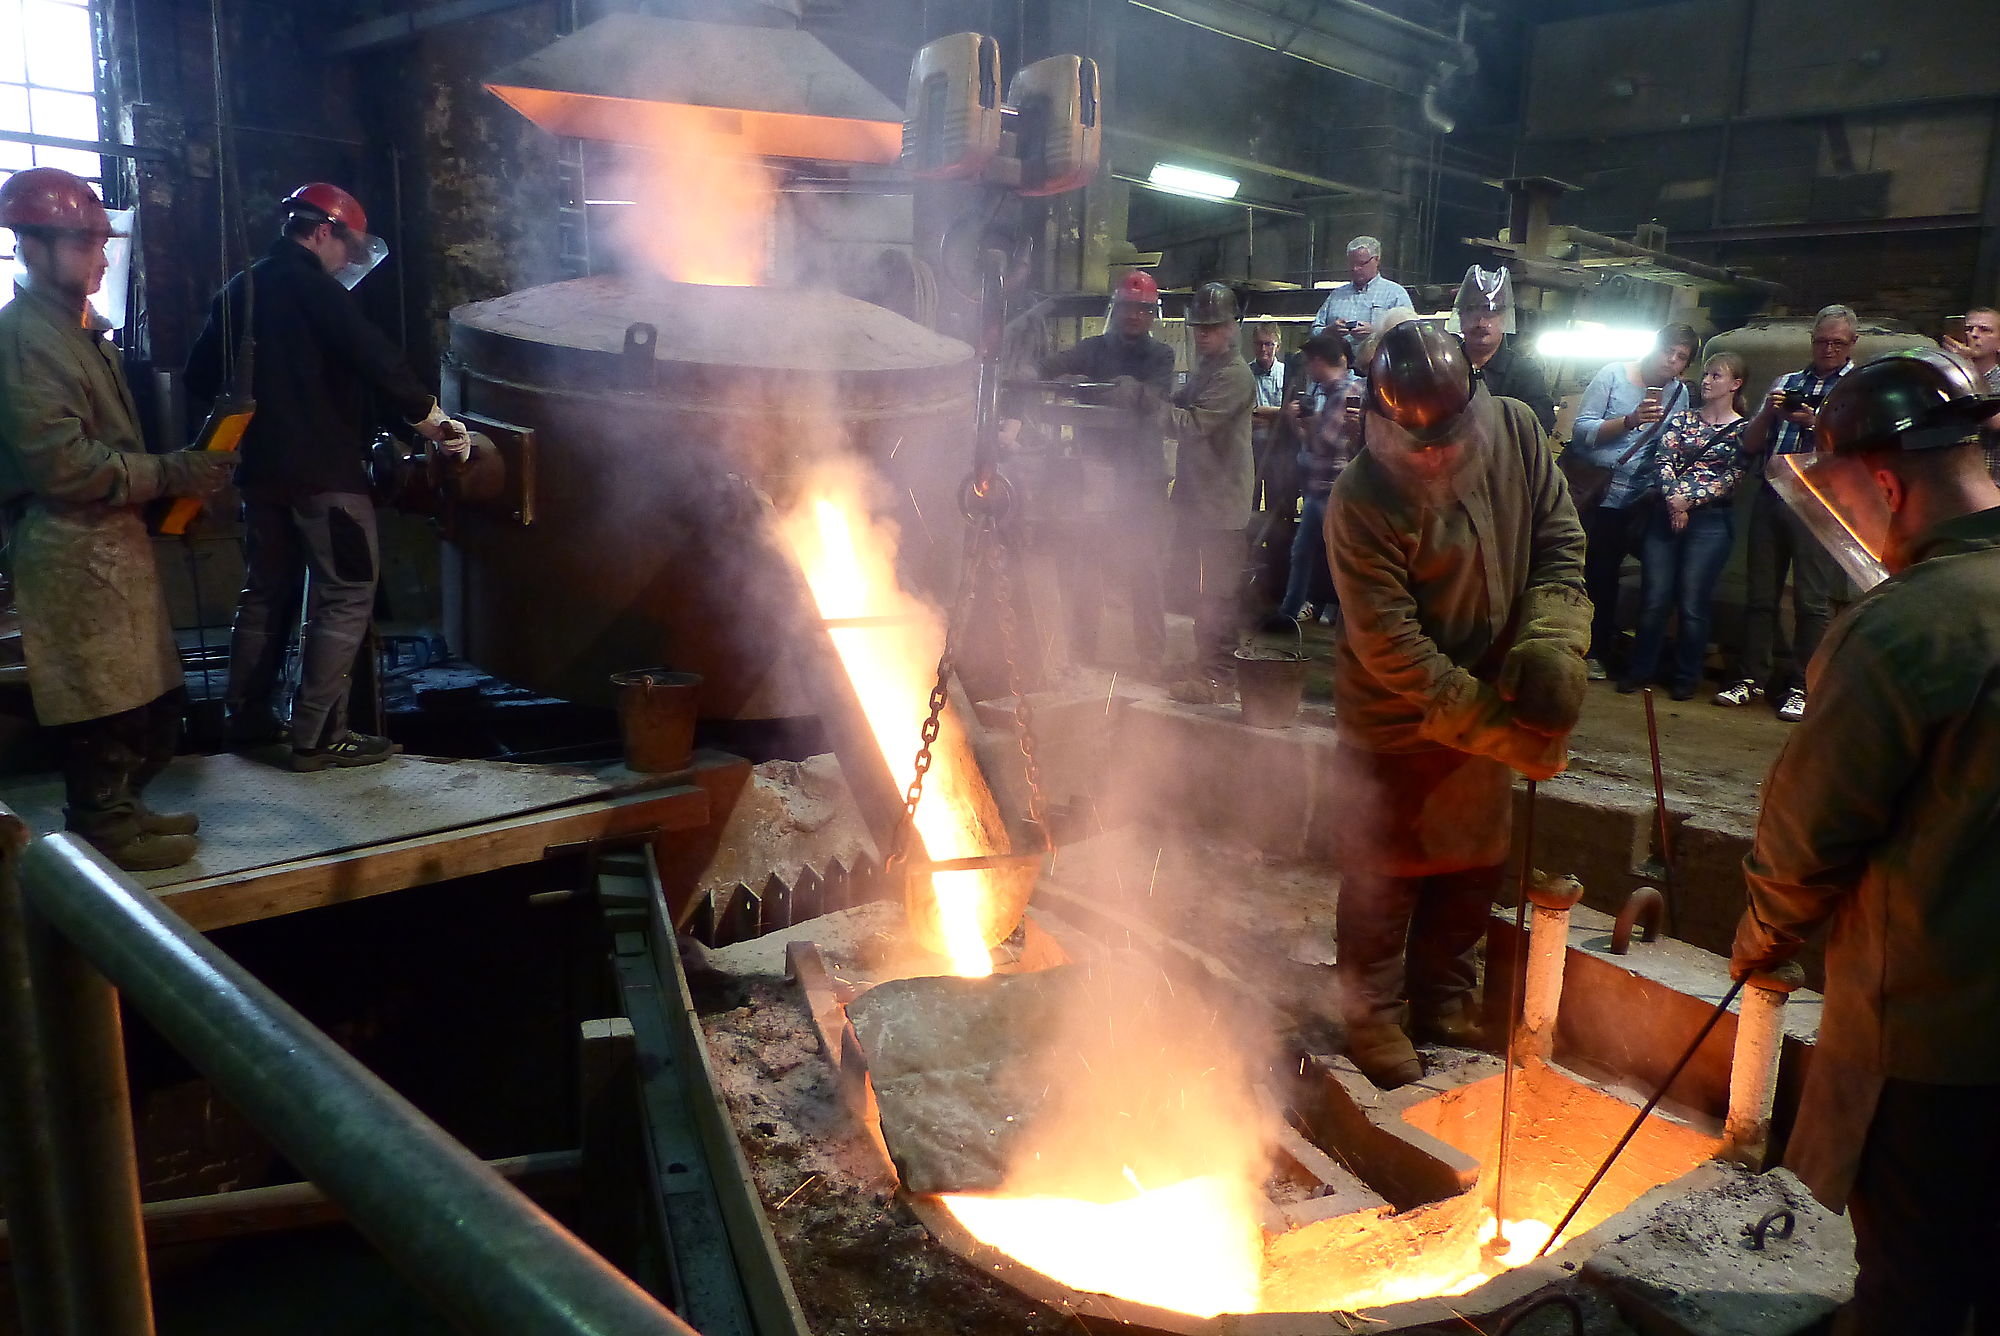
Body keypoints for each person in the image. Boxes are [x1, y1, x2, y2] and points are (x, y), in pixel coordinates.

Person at [1726, 347, 2000, 1336]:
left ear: (1883, 485)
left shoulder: (1905, 627)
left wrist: (1763, 935)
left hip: (1936, 1046)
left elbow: (1810, 832)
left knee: (1911, 1290)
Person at [1324, 320, 1589, 1089]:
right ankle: (1370, 1012)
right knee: (1385, 869)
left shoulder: (1518, 432)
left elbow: (1559, 541)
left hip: (1491, 691)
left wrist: (1551, 640)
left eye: (1446, 438)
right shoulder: (1360, 499)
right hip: (1396, 717)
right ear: (1385, 421)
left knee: (1473, 863)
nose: (1436, 456)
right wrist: (1502, 732)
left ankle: (1444, 996)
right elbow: (1391, 644)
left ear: (1473, 396)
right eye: (1420, 444)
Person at [0, 169, 238, 870]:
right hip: (68, 546)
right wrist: (170, 474)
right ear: (31, 246)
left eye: (103, 243)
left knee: (147, 700)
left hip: (108, 540)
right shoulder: (25, 340)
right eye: (85, 243)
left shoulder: (77, 333)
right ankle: (102, 826)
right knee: (102, 702)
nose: (102, 259)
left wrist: (170, 492)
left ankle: (125, 810)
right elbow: (63, 465)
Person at [186, 183, 467, 771]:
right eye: (347, 248)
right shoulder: (316, 290)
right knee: (345, 592)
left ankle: (248, 719)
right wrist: (434, 421)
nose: (346, 262)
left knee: (266, 591)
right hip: (326, 476)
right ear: (322, 231)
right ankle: (316, 734)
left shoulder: (240, 289)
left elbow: (198, 378)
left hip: (260, 476)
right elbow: (376, 359)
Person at [1716, 304, 1859, 721]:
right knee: (1761, 594)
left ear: (1852, 344)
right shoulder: (1787, 382)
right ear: (1811, 341)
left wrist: (1815, 422)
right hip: (1772, 492)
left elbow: (1858, 450)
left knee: (1812, 602)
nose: (1828, 349)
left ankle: (1802, 685)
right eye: (1822, 341)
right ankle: (1751, 677)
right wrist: (1769, 411)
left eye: (1837, 343)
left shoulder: (1858, 388)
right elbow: (1750, 444)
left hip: (1819, 499)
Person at [1039, 270, 1176, 671]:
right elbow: (1049, 366)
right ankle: (1083, 651)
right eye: (1129, 308)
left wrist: (1129, 390)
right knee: (1088, 560)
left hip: (1143, 476)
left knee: (1144, 564)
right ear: (1117, 309)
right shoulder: (1092, 349)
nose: (1135, 316)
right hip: (1097, 472)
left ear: (1152, 315)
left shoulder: (1161, 356)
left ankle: (1149, 655)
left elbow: (1155, 397)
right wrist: (1053, 376)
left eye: (1143, 310)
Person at [1144, 282, 1254, 704]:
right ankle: (1203, 665)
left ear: (1231, 327)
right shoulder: (1208, 368)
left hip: (1221, 509)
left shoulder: (1235, 375)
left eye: (1212, 327)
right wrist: (1152, 394)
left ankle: (1218, 678)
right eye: (1199, 327)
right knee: (1201, 591)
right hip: (1200, 503)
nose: (1203, 334)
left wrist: (1148, 405)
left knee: (1218, 596)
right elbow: (1180, 401)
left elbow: (1190, 424)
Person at [1568, 324, 1699, 680]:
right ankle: (1588, 650)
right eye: (1668, 351)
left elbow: (1672, 443)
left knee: (1647, 577)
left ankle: (1625, 654)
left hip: (1642, 498)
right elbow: (1582, 431)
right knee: (1597, 574)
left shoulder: (1678, 393)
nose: (1671, 361)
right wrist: (1630, 420)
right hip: (1600, 494)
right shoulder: (1613, 375)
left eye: (1681, 357)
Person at [1618, 352, 1749, 698]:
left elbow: (1732, 476)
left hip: (1711, 521)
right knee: (1654, 597)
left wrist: (1689, 501)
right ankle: (1640, 669)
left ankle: (1685, 676)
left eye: (1716, 376)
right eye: (1706, 374)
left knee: (1693, 601)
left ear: (1735, 384)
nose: (1706, 381)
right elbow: (1664, 459)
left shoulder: (1742, 430)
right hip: (1665, 513)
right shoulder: (1682, 419)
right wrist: (1673, 499)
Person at [1278, 332, 1360, 624]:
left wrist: (1308, 424)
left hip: (1335, 490)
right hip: (1318, 488)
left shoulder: (1347, 392)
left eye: (1310, 361)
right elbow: (1311, 444)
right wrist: (1297, 423)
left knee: (1339, 557)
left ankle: (1345, 614)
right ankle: (1289, 613)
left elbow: (1325, 442)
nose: (1309, 368)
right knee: (1302, 552)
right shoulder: (1326, 392)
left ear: (1319, 361)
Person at [1447, 265, 1556, 432]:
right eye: (1472, 309)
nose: (1481, 322)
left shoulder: (1524, 372)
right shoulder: (1445, 366)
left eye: (1490, 311)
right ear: (1460, 316)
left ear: (1505, 318)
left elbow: (1542, 423)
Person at [1309, 236, 1413, 344]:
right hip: (1338, 354)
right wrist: (1328, 332)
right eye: (1352, 264)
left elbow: (1410, 334)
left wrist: (1376, 332)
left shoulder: (1395, 294)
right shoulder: (1336, 295)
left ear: (1376, 260)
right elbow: (1314, 332)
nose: (1355, 269)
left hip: (1376, 354)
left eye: (1361, 264)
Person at [1940, 306, 2000, 481]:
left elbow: (1995, 422)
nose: (1973, 334)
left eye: (1984, 330)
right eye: (1968, 328)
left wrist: (1968, 369)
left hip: (1993, 482)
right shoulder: (1947, 377)